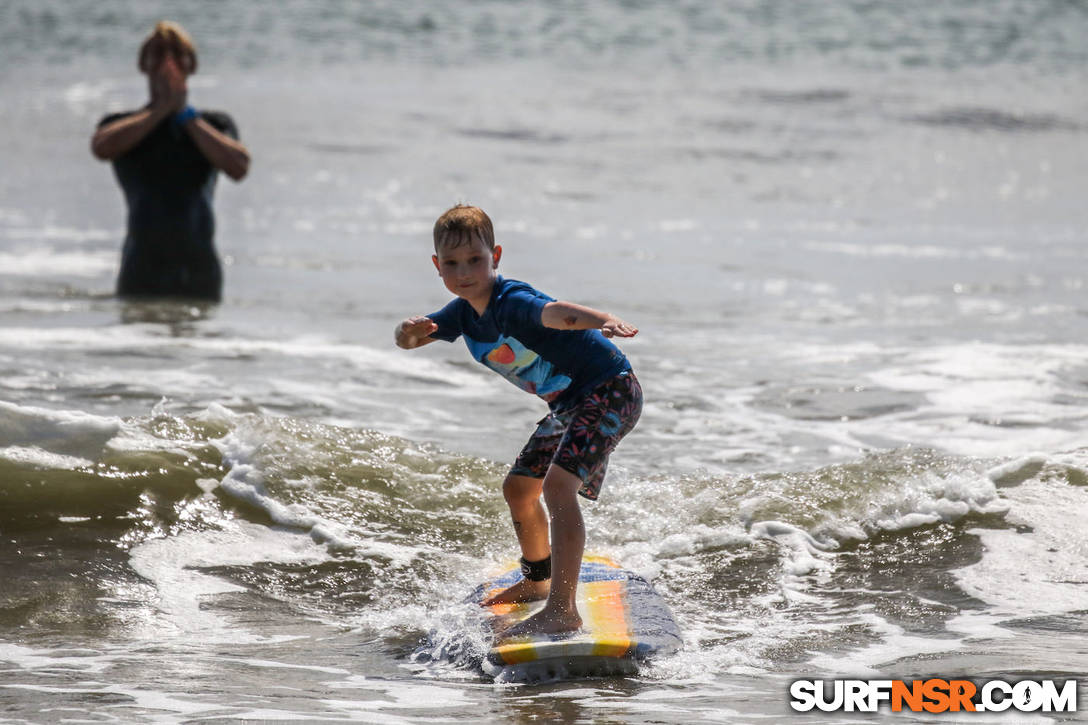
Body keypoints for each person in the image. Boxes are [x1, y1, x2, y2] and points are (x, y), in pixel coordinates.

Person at [395, 205, 642, 636]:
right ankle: (537, 580)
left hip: (609, 389)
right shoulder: (461, 313)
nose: (465, 271)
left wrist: (603, 320)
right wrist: (407, 331)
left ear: (496, 256)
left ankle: (563, 609)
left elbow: (557, 313)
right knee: (519, 488)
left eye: (476, 259)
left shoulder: (512, 302)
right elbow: (412, 340)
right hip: (570, 404)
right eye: (452, 263)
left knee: (557, 486)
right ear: (437, 266)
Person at [91, 21, 250, 301]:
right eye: (160, 54)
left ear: (191, 65)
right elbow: (101, 147)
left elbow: (239, 166)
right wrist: (160, 110)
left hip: (198, 270)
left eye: (177, 55)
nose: (169, 62)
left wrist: (184, 115)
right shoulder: (121, 125)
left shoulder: (214, 124)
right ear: (144, 64)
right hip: (142, 268)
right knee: (140, 341)